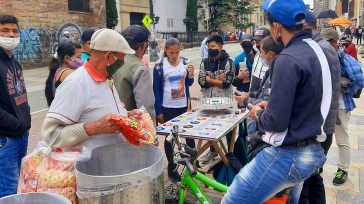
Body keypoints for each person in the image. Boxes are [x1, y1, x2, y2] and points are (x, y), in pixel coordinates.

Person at [222, 0, 331, 203]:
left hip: (288, 154)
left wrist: (258, 113)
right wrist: (270, 108)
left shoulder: (287, 58)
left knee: (231, 200)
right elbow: (305, 99)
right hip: (312, 149)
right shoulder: (316, 49)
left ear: (277, 27)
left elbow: (276, 122)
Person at [41, 29, 139, 150]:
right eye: (121, 59)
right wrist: (94, 128)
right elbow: (51, 136)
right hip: (90, 166)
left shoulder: (107, 78)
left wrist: (126, 116)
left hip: (113, 162)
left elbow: (100, 113)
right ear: (108, 56)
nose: (123, 63)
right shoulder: (76, 84)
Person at [299, 12, 341, 204]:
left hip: (318, 128)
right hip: (323, 125)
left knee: (307, 179)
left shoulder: (319, 49)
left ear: (303, 27)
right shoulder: (322, 47)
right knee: (314, 175)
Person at [324, 29, 364, 186]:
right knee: (323, 137)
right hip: (326, 105)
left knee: (341, 140)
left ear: (334, 43)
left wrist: (343, 88)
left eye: (326, 43)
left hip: (341, 105)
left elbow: (360, 81)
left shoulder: (346, 59)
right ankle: (318, 165)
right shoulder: (325, 57)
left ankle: (343, 169)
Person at [153, 37, 195, 181]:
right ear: (166, 51)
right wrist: (159, 111)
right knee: (170, 138)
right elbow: (156, 90)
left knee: (189, 135)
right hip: (167, 107)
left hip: (183, 106)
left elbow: (189, 83)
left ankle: (192, 164)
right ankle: (172, 167)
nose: (174, 55)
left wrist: (191, 74)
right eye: (171, 52)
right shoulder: (160, 65)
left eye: (176, 52)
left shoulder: (184, 62)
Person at [0, 14, 31, 198]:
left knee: (19, 185)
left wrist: (24, 122)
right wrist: (15, 124)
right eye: (4, 30)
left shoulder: (13, 62)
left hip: (21, 135)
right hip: (6, 138)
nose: (11, 35)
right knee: (8, 191)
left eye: (14, 31)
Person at [198, 34, 235, 163]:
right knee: (210, 128)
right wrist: (215, 80)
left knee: (229, 129)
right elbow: (201, 81)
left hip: (225, 103)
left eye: (213, 46)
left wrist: (209, 79)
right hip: (209, 103)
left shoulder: (228, 62)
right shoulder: (205, 62)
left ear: (220, 46)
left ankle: (230, 154)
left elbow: (226, 83)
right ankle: (213, 152)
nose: (210, 49)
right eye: (209, 47)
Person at [114, 25, 155, 120]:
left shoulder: (114, 61)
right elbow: (146, 107)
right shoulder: (140, 68)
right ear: (143, 45)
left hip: (115, 121)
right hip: (132, 125)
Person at [250, 27, 271, 94]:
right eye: (256, 41)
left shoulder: (271, 58)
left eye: (259, 41)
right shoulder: (256, 55)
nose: (257, 44)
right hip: (252, 96)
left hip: (262, 98)